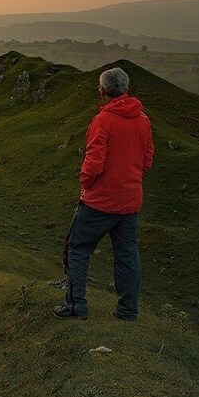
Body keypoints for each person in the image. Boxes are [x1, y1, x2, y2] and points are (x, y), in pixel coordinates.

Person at [54, 67, 154, 321]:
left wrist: (86, 185)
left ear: (102, 91)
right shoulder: (143, 120)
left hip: (99, 201)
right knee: (127, 255)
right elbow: (147, 160)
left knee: (77, 248)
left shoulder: (103, 121)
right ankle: (128, 310)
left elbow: (94, 163)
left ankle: (76, 306)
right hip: (130, 201)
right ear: (126, 89)